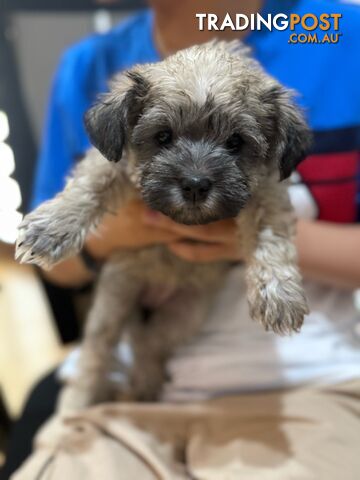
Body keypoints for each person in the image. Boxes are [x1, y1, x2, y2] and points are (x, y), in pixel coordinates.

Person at [4, 0, 360, 478]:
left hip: (301, 382)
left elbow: (270, 209)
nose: (195, 175)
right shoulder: (91, 65)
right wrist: (96, 228)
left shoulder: (335, 32)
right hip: (124, 387)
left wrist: (260, 260)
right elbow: (95, 185)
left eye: (234, 143)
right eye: (165, 138)